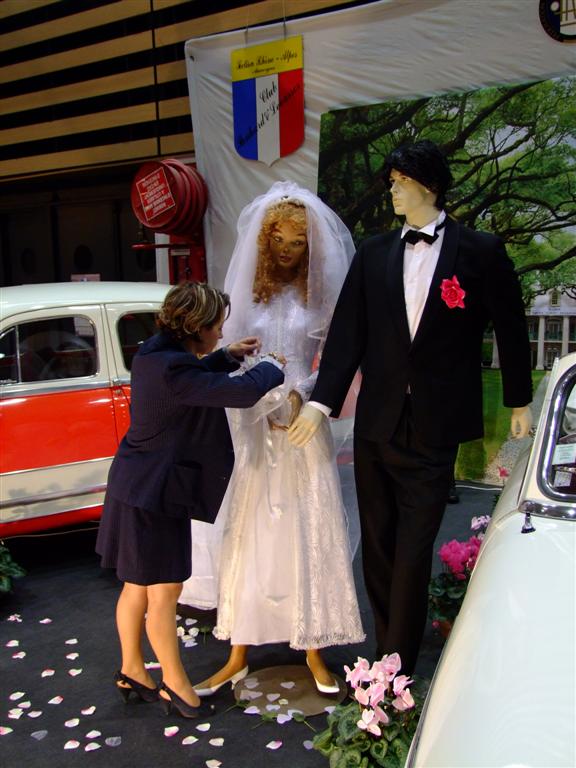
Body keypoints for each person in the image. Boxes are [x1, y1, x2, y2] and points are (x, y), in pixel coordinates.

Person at [288, 140, 533, 675]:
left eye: (400, 181)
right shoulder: (374, 253)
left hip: (435, 423)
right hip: (377, 423)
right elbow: (348, 333)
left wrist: (519, 398)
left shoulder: (480, 251)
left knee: (414, 547)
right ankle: (389, 645)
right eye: (391, 181)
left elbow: (511, 328)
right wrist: (320, 403)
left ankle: (392, 666)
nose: (392, 190)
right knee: (378, 544)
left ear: (429, 185)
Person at [179, 181, 364, 696]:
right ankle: (238, 649)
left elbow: (339, 360)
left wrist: (305, 394)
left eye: (298, 242)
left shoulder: (321, 298)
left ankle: (314, 646)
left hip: (303, 425)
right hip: (255, 426)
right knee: (251, 530)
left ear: (311, 245)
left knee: (309, 528)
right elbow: (230, 357)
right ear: (265, 240)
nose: (287, 250)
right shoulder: (245, 297)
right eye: (279, 240)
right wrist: (254, 396)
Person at [96, 281, 284, 718]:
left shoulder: (153, 353)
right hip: (155, 494)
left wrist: (226, 355)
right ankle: (176, 687)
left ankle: (132, 670)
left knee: (135, 586)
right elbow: (241, 393)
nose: (221, 332)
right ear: (195, 327)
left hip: (134, 484)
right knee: (165, 592)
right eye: (217, 327)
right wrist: (271, 365)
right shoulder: (174, 370)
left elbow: (191, 378)